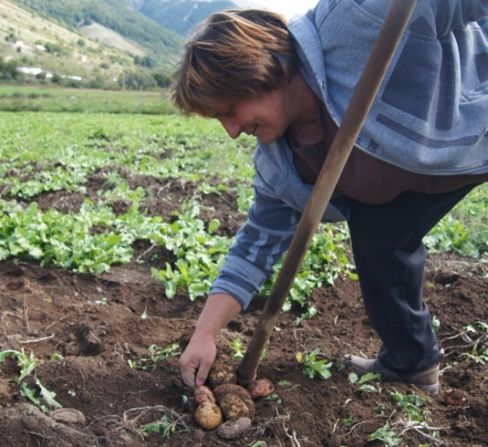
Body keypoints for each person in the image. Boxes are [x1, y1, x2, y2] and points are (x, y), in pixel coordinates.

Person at [172, 0, 488, 396]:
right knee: (378, 239)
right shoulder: (280, 166)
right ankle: (413, 361)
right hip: (404, 184)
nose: (232, 131)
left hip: (475, 134)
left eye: (231, 110)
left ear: (264, 70)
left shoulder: (360, 19)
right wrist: (205, 332)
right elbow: (255, 247)